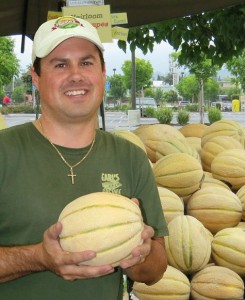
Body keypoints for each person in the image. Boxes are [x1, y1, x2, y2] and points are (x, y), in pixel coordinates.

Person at [0, 16, 168, 299]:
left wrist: (141, 254)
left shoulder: (131, 157)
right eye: (60, 64)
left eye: (86, 62)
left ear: (103, 73)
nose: (75, 75)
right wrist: (39, 257)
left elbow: (156, 271)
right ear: (36, 78)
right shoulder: (5, 152)